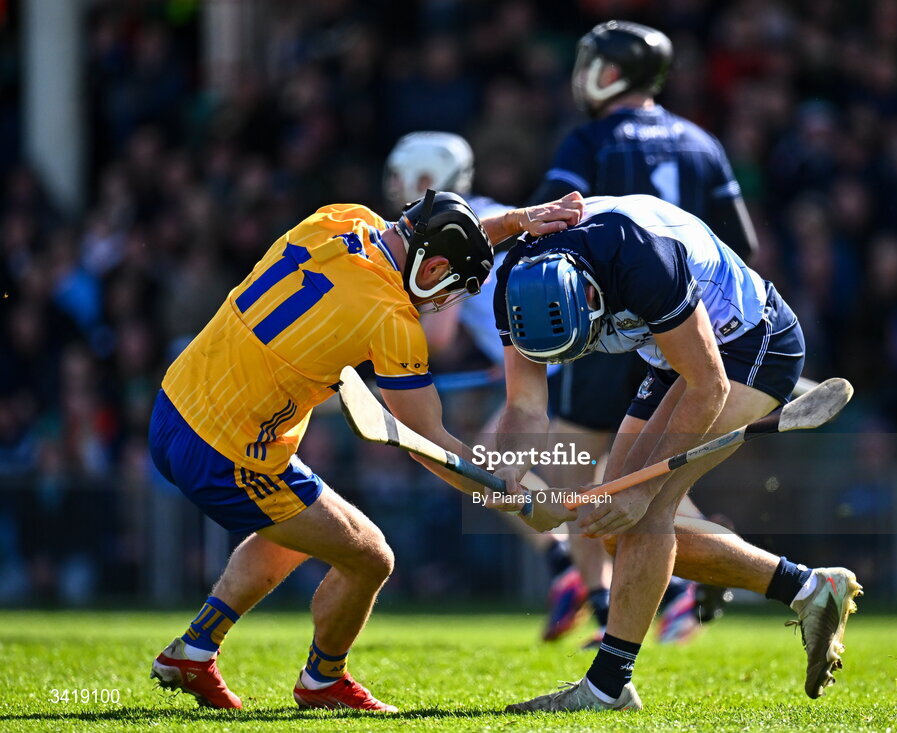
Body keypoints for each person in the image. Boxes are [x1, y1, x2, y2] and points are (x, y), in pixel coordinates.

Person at [147, 189, 582, 711]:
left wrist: (516, 222)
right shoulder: (392, 319)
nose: (439, 302)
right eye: (447, 289)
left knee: (299, 524)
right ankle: (322, 681)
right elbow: (429, 446)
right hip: (226, 452)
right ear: (435, 266)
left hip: (174, 404)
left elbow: (435, 239)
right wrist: (514, 495)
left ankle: (193, 651)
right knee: (369, 557)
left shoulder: (340, 219)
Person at [493, 194, 861, 711]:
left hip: (747, 342)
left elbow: (707, 384)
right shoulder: (517, 283)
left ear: (594, 297)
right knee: (614, 528)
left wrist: (643, 489)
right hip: (675, 349)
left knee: (646, 513)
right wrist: (510, 473)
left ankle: (607, 687)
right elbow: (526, 406)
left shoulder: (639, 258)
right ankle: (808, 589)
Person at [526, 20, 762, 645]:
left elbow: (548, 225)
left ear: (614, 71)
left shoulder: (590, 140)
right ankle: (693, 582)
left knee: (577, 475)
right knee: (650, 480)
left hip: (605, 325)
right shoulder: (701, 142)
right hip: (686, 333)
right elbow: (743, 248)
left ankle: (611, 608)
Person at [383, 131, 585, 634]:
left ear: (426, 179)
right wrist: (506, 354)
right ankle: (593, 581)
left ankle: (576, 570)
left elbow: (439, 335)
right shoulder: (496, 209)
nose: (392, 186)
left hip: (559, 369)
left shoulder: (439, 231)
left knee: (489, 468)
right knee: (598, 479)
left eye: (400, 175)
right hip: (578, 355)